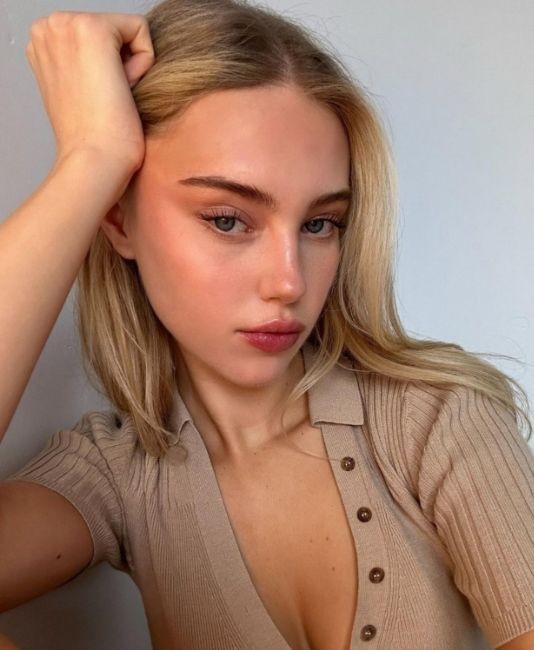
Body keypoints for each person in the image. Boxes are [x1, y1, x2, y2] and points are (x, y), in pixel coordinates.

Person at [0, 1, 533, 649]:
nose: (289, 282)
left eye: (320, 223)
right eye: (228, 219)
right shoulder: (118, 474)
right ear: (117, 219)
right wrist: (89, 160)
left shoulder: (437, 421)